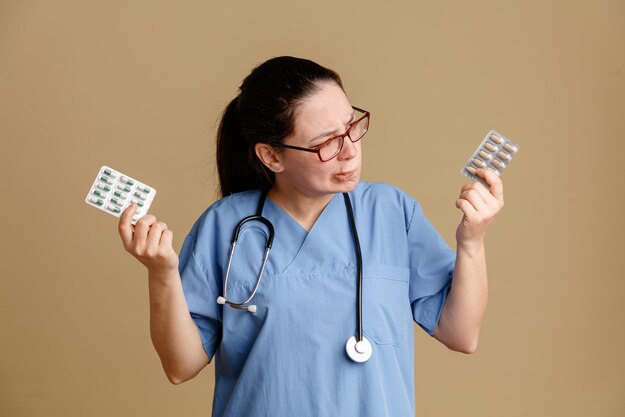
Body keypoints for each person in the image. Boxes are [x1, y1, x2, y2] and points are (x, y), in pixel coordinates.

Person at [118, 56, 504, 417]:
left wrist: (472, 241)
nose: (350, 151)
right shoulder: (225, 227)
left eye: (353, 127)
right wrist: (162, 273)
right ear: (272, 157)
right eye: (326, 143)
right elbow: (180, 366)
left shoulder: (392, 212)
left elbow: (461, 333)